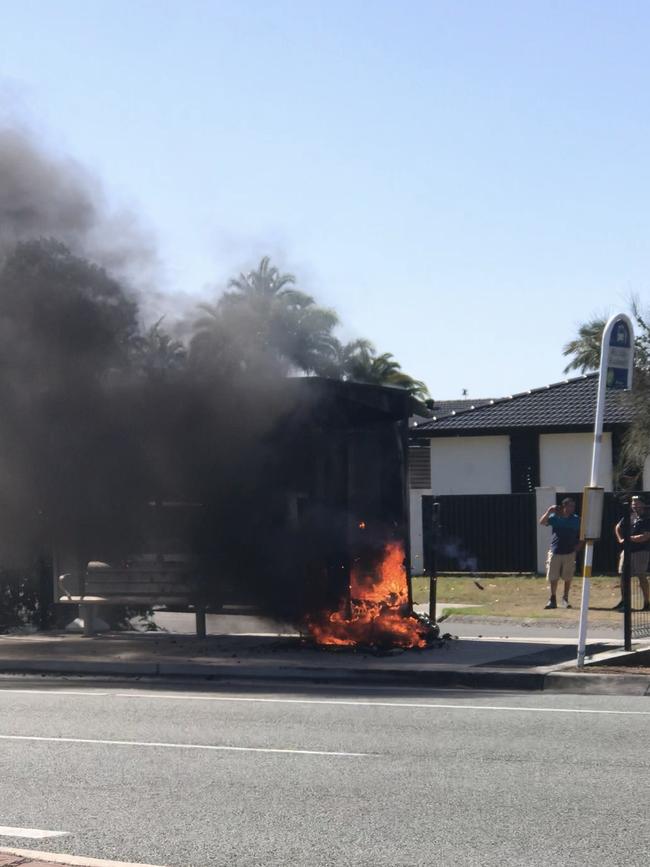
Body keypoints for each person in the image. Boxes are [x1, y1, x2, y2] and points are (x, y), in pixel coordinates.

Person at [539, 497, 581, 609]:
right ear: (564, 506)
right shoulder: (555, 517)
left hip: (569, 552)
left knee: (568, 577)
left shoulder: (576, 519)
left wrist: (580, 544)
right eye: (570, 506)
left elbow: (582, 533)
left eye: (573, 506)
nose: (572, 508)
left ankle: (565, 598)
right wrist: (549, 511)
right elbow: (542, 522)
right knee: (553, 577)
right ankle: (552, 599)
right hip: (555, 551)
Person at [613, 495, 650, 612]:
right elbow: (617, 527)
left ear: (643, 504)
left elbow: (645, 536)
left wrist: (629, 539)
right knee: (623, 576)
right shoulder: (630, 516)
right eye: (633, 502)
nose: (634, 504)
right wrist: (620, 539)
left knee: (641, 576)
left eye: (637, 502)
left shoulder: (647, 519)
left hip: (640, 551)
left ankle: (647, 602)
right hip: (627, 550)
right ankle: (625, 602)